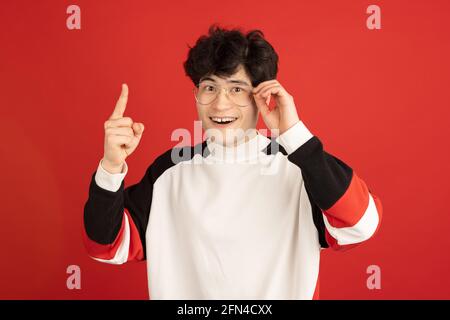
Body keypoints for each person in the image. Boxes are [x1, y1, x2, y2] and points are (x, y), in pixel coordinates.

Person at [83, 24, 383, 299]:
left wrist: (295, 136)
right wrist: (110, 167)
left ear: (262, 96)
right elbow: (107, 247)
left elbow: (361, 224)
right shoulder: (169, 172)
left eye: (237, 89)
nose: (220, 104)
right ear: (196, 94)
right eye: (210, 87)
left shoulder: (299, 167)